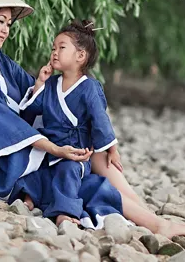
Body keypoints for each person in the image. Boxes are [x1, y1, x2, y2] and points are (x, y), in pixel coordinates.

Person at [0, 0, 185, 237]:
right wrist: (56, 148)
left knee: (86, 143)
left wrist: (42, 86)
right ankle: (152, 221)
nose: (7, 29)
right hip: (1, 163)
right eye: (1, 21)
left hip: (26, 146)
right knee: (78, 169)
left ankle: (146, 213)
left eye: (8, 23)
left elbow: (35, 98)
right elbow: (5, 128)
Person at [15, 19, 122, 226]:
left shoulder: (89, 87)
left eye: (61, 48)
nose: (54, 52)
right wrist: (40, 83)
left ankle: (65, 212)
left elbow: (100, 119)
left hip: (76, 153)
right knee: (38, 172)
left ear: (80, 56)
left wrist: (112, 149)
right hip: (52, 148)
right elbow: (32, 110)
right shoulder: (52, 84)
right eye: (53, 48)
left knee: (67, 172)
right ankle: (31, 198)